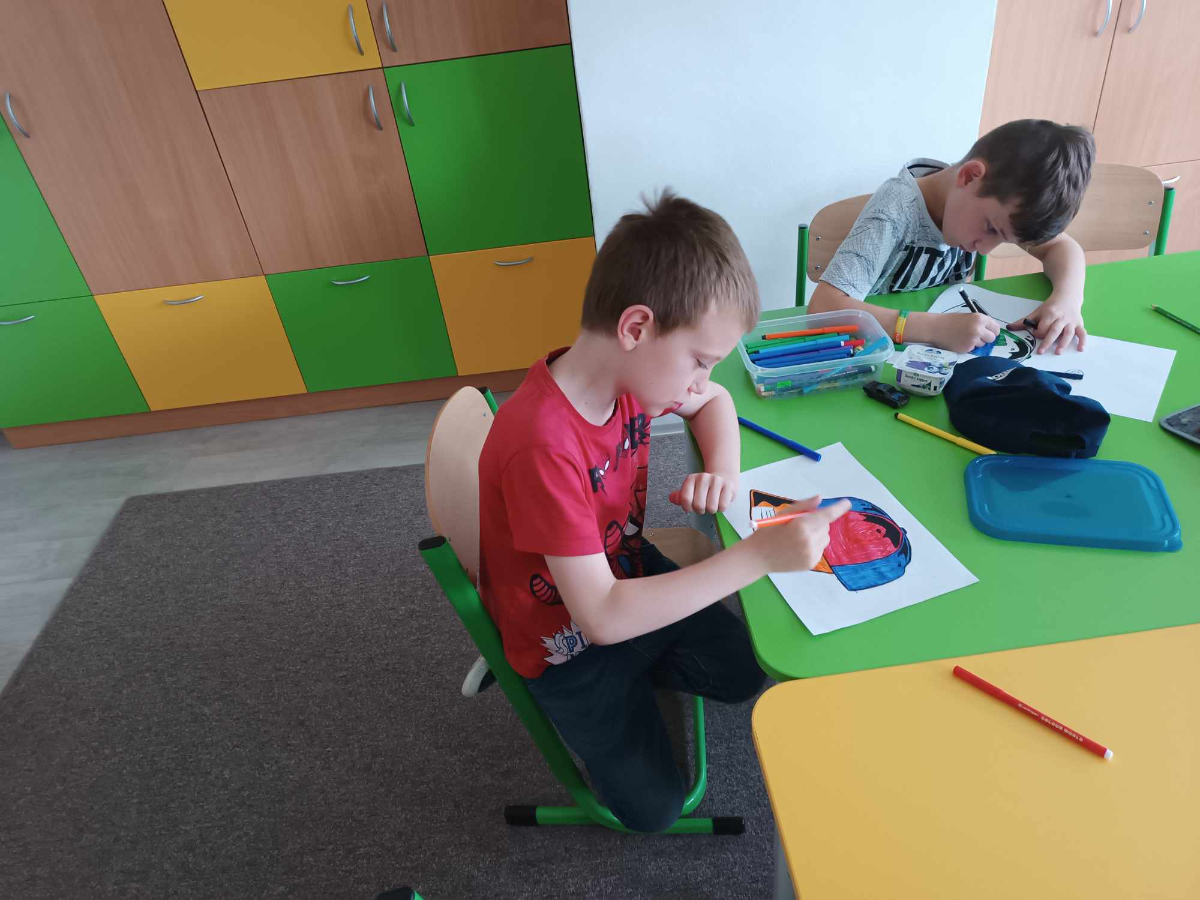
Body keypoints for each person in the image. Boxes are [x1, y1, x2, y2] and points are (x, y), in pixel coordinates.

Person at [477, 190, 849, 832]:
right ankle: (613, 691)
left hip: (621, 571)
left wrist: (721, 470)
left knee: (744, 674)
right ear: (636, 328)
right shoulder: (542, 443)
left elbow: (716, 403)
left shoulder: (623, 374)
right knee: (652, 812)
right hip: (569, 641)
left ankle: (644, 666)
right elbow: (600, 618)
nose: (700, 380)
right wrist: (758, 555)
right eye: (699, 361)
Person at [807, 119, 1096, 355]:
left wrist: (1068, 300)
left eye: (1003, 239)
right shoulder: (895, 209)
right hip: (869, 357)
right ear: (969, 177)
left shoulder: (995, 200)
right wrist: (934, 329)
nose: (985, 250)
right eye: (991, 229)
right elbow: (822, 308)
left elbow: (1062, 246)